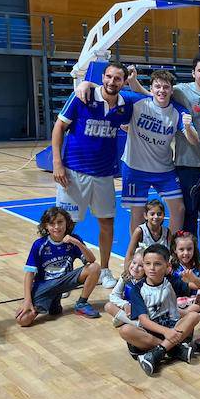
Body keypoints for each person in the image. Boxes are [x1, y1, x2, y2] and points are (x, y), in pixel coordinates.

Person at [126, 54, 200, 253]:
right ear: (193, 73)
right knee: (188, 213)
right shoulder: (180, 91)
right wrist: (132, 81)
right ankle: (183, 255)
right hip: (187, 164)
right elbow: (152, 94)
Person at [57, 62, 136, 288]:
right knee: (65, 225)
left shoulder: (125, 105)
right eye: (108, 77)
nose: (112, 82)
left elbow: (151, 97)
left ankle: (104, 269)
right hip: (73, 171)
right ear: (102, 76)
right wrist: (57, 163)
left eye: (117, 78)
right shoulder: (82, 96)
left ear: (124, 82)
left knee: (107, 223)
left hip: (103, 175)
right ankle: (62, 273)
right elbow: (58, 128)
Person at [119, 69, 197, 242]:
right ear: (151, 88)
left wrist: (189, 127)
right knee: (137, 214)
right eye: (158, 87)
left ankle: (171, 250)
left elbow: (194, 141)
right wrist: (87, 84)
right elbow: (110, 91)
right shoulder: (137, 101)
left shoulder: (179, 112)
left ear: (171, 90)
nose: (162, 90)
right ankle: (139, 252)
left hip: (164, 169)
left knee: (178, 209)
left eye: (166, 87)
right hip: (135, 169)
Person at [120, 244, 200, 376]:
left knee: (194, 316)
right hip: (152, 333)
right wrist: (166, 332)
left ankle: (157, 352)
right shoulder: (138, 289)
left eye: (157, 264)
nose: (152, 268)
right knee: (125, 330)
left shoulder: (171, 281)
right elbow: (144, 321)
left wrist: (193, 278)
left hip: (174, 329)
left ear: (167, 266)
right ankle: (174, 350)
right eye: (147, 264)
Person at [17, 207, 102, 326]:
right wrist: (27, 300)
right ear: (46, 226)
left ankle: (81, 303)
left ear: (67, 223)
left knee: (95, 268)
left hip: (65, 280)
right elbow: (29, 274)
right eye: (52, 223)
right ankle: (53, 301)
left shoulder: (74, 240)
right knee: (23, 320)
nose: (57, 227)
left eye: (60, 222)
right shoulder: (39, 245)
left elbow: (91, 260)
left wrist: (77, 243)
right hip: (45, 286)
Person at [124, 199, 170, 276]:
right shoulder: (140, 231)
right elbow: (130, 253)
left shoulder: (167, 232)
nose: (156, 216)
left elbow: (170, 254)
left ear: (164, 215)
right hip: (141, 270)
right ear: (145, 216)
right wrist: (126, 272)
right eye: (152, 214)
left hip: (158, 270)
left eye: (159, 214)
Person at [106, 249, 145, 328]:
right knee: (108, 306)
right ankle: (133, 323)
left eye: (141, 266)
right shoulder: (125, 276)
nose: (135, 267)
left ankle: (137, 324)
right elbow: (113, 295)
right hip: (127, 309)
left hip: (141, 312)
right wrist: (124, 304)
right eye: (134, 263)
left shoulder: (147, 282)